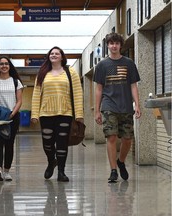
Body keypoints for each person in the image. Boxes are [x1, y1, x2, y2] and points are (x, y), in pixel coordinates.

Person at [93, 32, 141, 182]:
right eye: (111, 43)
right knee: (111, 137)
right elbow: (99, 89)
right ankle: (113, 170)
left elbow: (133, 85)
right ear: (107, 46)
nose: (114, 46)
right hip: (109, 105)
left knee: (127, 139)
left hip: (126, 106)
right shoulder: (101, 66)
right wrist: (97, 110)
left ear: (120, 45)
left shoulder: (129, 63)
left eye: (116, 43)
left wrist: (137, 105)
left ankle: (121, 161)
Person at [31, 46, 84, 182]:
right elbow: (36, 94)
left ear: (62, 57)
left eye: (57, 53)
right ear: (49, 56)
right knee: (47, 143)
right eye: (51, 53)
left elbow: (77, 93)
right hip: (46, 114)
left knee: (62, 143)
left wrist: (79, 114)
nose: (54, 55)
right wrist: (34, 114)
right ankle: (51, 162)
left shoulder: (70, 72)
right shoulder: (42, 73)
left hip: (65, 113)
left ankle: (61, 171)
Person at [0, 56, 23, 181]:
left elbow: (19, 101)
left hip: (12, 117)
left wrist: (12, 113)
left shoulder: (16, 82)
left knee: (9, 144)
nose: (4, 66)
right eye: (1, 64)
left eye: (6, 64)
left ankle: (7, 171)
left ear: (9, 66)